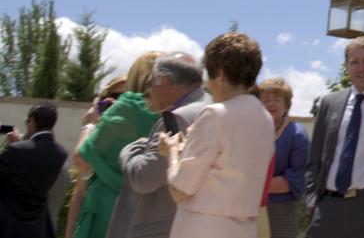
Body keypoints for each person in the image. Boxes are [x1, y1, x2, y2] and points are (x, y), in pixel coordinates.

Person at [158, 32, 275, 238]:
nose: (207, 84)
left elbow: (180, 189)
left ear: (220, 74)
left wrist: (173, 152)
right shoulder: (265, 119)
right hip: (244, 229)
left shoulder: (215, 114)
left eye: (208, 74)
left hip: (202, 228)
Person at [113, 53, 210, 238]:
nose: (148, 90)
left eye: (150, 83)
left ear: (164, 83)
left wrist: (130, 149)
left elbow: (144, 178)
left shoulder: (177, 119)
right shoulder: (211, 107)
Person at [304, 35, 364, 238]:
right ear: (346, 66)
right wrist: (311, 199)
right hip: (327, 207)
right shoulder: (329, 102)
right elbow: (314, 157)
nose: (361, 68)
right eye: (354, 62)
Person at [74, 52, 162, 238]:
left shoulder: (128, 106)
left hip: (107, 212)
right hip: (147, 216)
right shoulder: (169, 114)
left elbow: (82, 160)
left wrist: (90, 125)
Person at [65, 75, 128, 238]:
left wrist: (91, 125)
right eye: (114, 97)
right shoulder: (94, 136)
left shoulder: (140, 137)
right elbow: (79, 192)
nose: (118, 103)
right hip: (91, 224)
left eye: (125, 97)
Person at [0, 102, 69, 238]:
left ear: (32, 121)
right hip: (37, 228)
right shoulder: (61, 153)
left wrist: (17, 145)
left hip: (8, 227)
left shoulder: (15, 151)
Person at [260, 77, 309, 238]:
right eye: (266, 100)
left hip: (282, 208)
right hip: (251, 208)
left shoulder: (297, 134)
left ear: (286, 104)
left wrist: (250, 185)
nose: (271, 104)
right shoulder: (252, 132)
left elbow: (292, 181)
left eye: (277, 99)